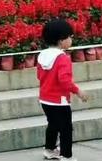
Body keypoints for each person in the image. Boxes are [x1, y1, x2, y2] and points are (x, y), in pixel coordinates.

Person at [37, 18, 87, 160]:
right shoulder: (63, 58)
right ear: (61, 41)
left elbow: (39, 76)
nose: (71, 40)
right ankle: (66, 155)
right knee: (65, 128)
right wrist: (78, 91)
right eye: (70, 37)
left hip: (45, 99)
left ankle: (49, 149)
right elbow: (65, 81)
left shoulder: (42, 55)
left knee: (52, 125)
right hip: (60, 101)